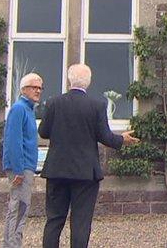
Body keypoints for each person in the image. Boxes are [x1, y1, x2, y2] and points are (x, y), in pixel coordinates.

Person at [40, 63, 139, 248]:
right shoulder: (96, 106)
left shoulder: (53, 102)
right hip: (85, 172)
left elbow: (43, 132)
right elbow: (105, 136)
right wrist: (122, 140)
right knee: (80, 222)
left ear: (69, 80)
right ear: (89, 82)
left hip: (57, 169)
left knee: (54, 220)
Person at [2, 73, 43, 248]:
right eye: (34, 87)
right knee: (18, 209)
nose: (38, 91)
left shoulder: (29, 110)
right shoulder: (19, 109)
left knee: (20, 209)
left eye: (40, 88)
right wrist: (18, 170)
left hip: (27, 167)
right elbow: (13, 141)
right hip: (21, 168)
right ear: (24, 89)